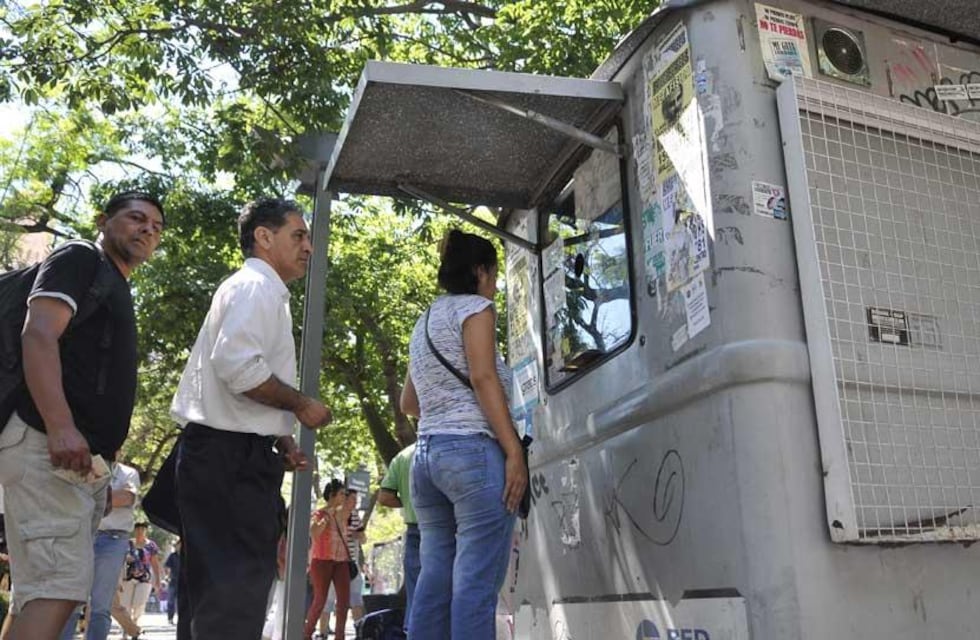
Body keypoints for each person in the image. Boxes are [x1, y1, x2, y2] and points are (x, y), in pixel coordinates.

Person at [0, 191, 164, 640]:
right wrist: (60, 426)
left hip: (77, 462)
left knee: (42, 592)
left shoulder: (112, 282)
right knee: (57, 589)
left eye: (156, 225)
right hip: (42, 440)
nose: (148, 228)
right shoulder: (78, 256)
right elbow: (38, 335)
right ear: (103, 220)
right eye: (136, 218)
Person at [170, 197, 332, 640]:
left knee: (217, 597)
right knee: (232, 594)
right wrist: (300, 405)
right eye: (298, 235)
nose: (308, 247)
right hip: (227, 461)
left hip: (231, 455)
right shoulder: (255, 288)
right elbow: (239, 367)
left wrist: (280, 438)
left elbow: (238, 381)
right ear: (264, 236)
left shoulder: (262, 291)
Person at [400, 229, 527, 639]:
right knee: (475, 583)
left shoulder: (424, 321)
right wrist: (514, 452)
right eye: (493, 274)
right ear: (479, 271)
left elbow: (409, 403)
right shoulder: (476, 309)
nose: (495, 284)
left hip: (426, 459)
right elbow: (483, 377)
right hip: (472, 455)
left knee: (434, 579)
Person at [58, 458, 141, 640]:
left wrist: (88, 493)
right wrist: (105, 496)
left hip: (113, 539)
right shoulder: (83, 466)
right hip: (82, 535)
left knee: (101, 605)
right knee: (71, 600)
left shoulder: (128, 473)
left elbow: (126, 498)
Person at [378, 442, 419, 625]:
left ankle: (413, 630)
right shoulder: (447, 450)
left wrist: (409, 503)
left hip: (414, 531)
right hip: (446, 529)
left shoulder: (403, 456)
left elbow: (384, 497)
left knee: (415, 588)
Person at [305, 480, 351, 640]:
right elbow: (314, 533)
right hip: (322, 561)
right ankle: (306, 634)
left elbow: (357, 533)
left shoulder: (344, 514)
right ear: (332, 496)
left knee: (344, 600)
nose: (344, 497)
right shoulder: (319, 514)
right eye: (341, 494)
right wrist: (326, 517)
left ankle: (340, 636)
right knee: (320, 600)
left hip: (341, 562)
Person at [319, 487, 366, 634]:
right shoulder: (330, 514)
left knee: (356, 598)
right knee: (328, 600)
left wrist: (356, 534)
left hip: (351, 565)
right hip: (333, 563)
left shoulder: (354, 516)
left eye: (356, 500)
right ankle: (323, 633)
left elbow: (363, 538)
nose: (355, 502)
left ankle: (361, 633)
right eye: (352, 499)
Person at [112, 522, 161, 638]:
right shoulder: (128, 544)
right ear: (135, 530)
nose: (140, 532)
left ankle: (134, 623)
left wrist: (157, 580)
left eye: (142, 530)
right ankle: (127, 629)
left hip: (144, 579)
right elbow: (119, 561)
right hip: (128, 578)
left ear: (146, 531)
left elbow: (155, 564)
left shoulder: (151, 546)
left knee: (139, 603)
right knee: (126, 604)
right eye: (138, 529)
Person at [163, 541, 180, 624]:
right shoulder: (172, 556)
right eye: (177, 545)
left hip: (183, 581)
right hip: (173, 581)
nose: (179, 547)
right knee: (171, 601)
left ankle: (182, 618)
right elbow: (166, 566)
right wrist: (167, 575)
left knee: (182, 601)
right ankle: (170, 618)